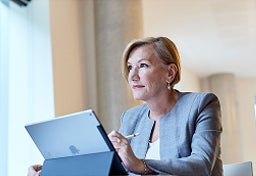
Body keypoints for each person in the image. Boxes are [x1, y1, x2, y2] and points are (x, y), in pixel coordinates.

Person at [28, 36, 223, 176]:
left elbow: (201, 166)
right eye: (130, 67)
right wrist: (54, 172)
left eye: (143, 65)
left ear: (170, 73)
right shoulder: (131, 117)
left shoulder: (202, 104)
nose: (132, 75)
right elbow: (118, 173)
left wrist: (141, 165)